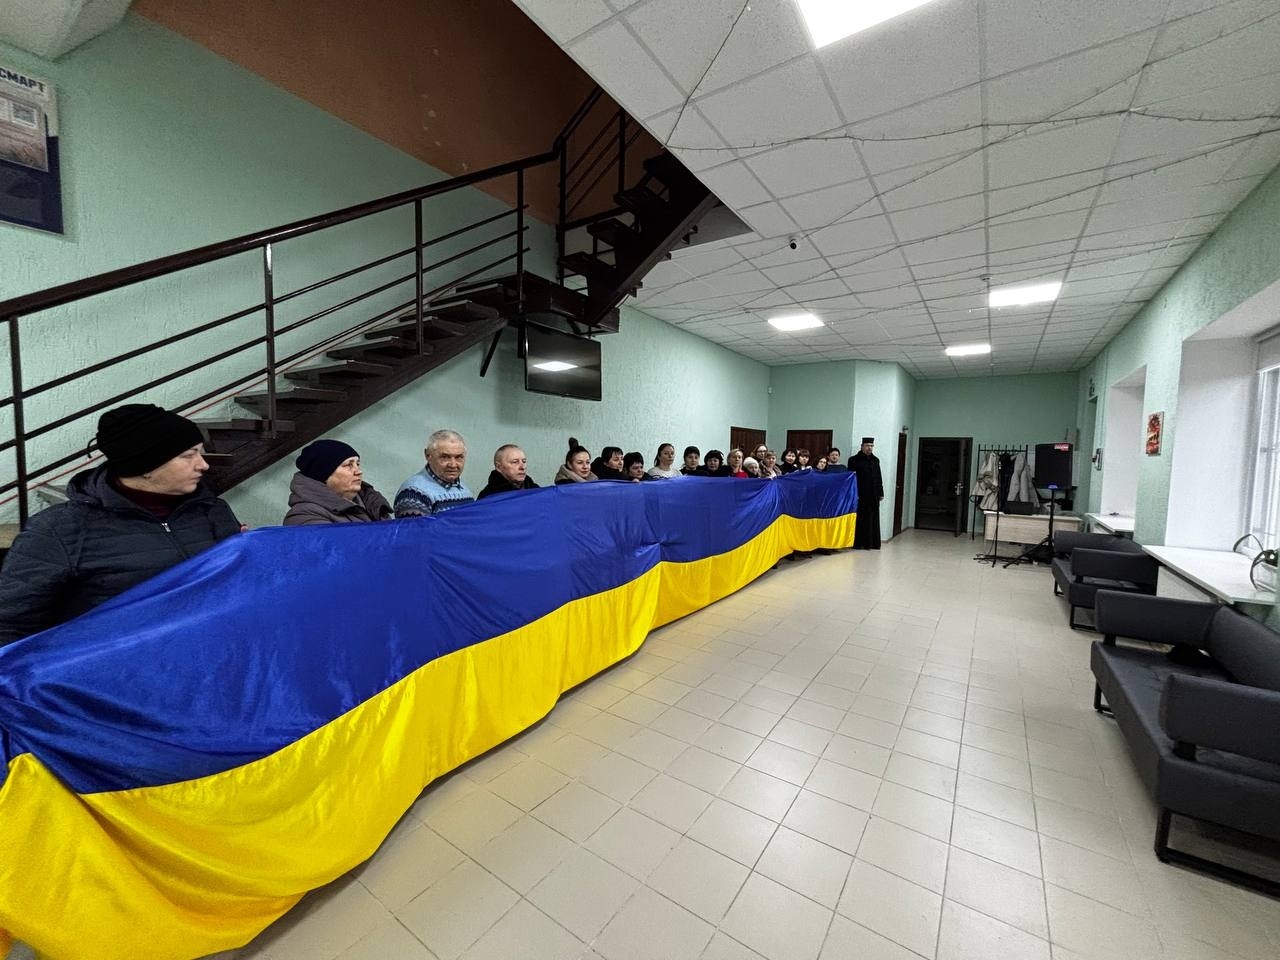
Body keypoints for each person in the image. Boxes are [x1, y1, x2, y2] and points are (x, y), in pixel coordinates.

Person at [0, 403, 242, 646]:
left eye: (200, 452)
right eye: (188, 455)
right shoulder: (57, 530)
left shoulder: (212, 509)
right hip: (113, 665)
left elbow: (235, 588)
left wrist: (247, 553)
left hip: (206, 656)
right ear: (147, 465)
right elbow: (10, 623)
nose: (203, 464)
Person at [283, 439, 393, 524]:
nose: (358, 471)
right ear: (323, 473)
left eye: (357, 464)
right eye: (348, 465)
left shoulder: (373, 504)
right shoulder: (303, 517)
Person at [394, 429, 475, 517]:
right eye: (445, 457)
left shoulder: (465, 490)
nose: (453, 464)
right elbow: (414, 527)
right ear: (428, 456)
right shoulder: (413, 493)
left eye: (459, 457)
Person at [849, 437, 885, 550]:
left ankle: (873, 543)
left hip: (874, 495)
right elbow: (851, 478)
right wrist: (853, 494)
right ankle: (859, 543)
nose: (869, 448)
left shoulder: (876, 460)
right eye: (867, 445)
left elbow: (878, 477)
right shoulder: (853, 460)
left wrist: (881, 492)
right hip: (860, 494)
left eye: (871, 446)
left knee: (873, 519)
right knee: (861, 519)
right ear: (862, 446)